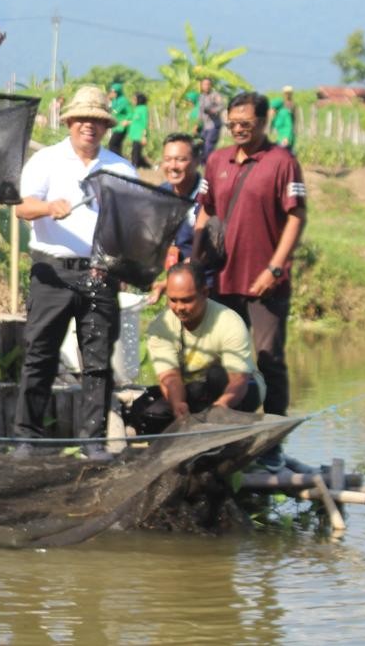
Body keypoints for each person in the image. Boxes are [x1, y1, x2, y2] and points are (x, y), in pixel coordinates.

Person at [12, 85, 137, 452]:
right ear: (69, 122)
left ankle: (93, 442)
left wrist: (120, 265)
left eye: (97, 120)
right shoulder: (47, 160)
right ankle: (26, 438)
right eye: (82, 119)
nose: (89, 126)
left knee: (97, 362)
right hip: (52, 272)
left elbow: (131, 224)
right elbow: (21, 207)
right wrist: (49, 207)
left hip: (100, 273)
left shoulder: (120, 168)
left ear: (107, 126)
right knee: (40, 355)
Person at [195, 92, 307, 470]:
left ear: (263, 122)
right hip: (223, 278)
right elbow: (205, 211)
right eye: (233, 124)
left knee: (268, 358)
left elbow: (296, 217)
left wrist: (274, 268)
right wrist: (195, 264)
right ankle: (226, 437)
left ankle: (272, 442)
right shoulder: (217, 160)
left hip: (265, 282)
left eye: (247, 123)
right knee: (220, 361)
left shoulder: (282, 162)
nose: (239, 130)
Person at [133, 261, 265, 433]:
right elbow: (170, 377)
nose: (179, 307)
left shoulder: (229, 321)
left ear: (204, 293)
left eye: (187, 300)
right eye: (173, 300)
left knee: (216, 374)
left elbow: (238, 379)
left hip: (238, 390)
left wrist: (221, 406)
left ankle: (230, 432)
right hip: (192, 391)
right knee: (145, 411)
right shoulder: (160, 327)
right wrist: (178, 404)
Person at [148, 132, 203, 290]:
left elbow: (210, 252)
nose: (173, 166)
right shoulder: (160, 194)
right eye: (167, 159)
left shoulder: (208, 197)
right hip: (174, 281)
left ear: (196, 161)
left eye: (180, 159)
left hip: (203, 284)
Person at [196, 77, 226, 164]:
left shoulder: (215, 95)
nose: (206, 86)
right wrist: (197, 124)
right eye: (204, 84)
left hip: (214, 125)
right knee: (201, 145)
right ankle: (203, 164)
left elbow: (222, 106)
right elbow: (200, 111)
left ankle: (207, 165)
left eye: (208, 84)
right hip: (205, 126)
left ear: (211, 85)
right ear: (201, 86)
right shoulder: (201, 97)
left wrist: (213, 110)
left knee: (209, 145)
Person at [106, 82, 132, 157]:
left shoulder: (123, 101)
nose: (113, 93)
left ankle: (117, 160)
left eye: (115, 92)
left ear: (119, 92)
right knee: (116, 145)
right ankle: (118, 160)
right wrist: (108, 100)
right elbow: (110, 110)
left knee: (113, 144)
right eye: (112, 91)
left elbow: (115, 111)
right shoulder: (115, 100)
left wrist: (128, 120)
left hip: (122, 126)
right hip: (116, 126)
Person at [271, 85, 296, 152]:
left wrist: (286, 137)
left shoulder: (290, 106)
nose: (287, 95)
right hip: (280, 138)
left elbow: (289, 125)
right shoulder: (277, 113)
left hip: (286, 138)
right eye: (286, 93)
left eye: (289, 93)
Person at [128, 91, 150, 168]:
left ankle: (135, 166)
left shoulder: (143, 109)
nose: (133, 101)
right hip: (135, 135)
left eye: (134, 99)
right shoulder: (136, 109)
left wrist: (144, 136)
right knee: (136, 152)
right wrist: (128, 122)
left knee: (136, 152)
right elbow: (135, 120)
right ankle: (146, 166)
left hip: (140, 135)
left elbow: (144, 123)